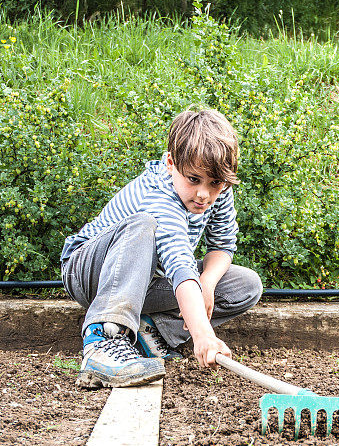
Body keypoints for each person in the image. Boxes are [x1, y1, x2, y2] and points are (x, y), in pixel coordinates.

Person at [60, 108, 263, 389]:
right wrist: (202, 334)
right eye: (193, 179)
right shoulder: (159, 196)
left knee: (245, 285)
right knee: (144, 225)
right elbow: (180, 265)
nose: (204, 194)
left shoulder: (219, 192)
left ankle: (147, 333)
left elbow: (222, 245)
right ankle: (103, 340)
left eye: (215, 183)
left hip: (146, 282)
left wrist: (206, 282)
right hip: (90, 272)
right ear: (170, 163)